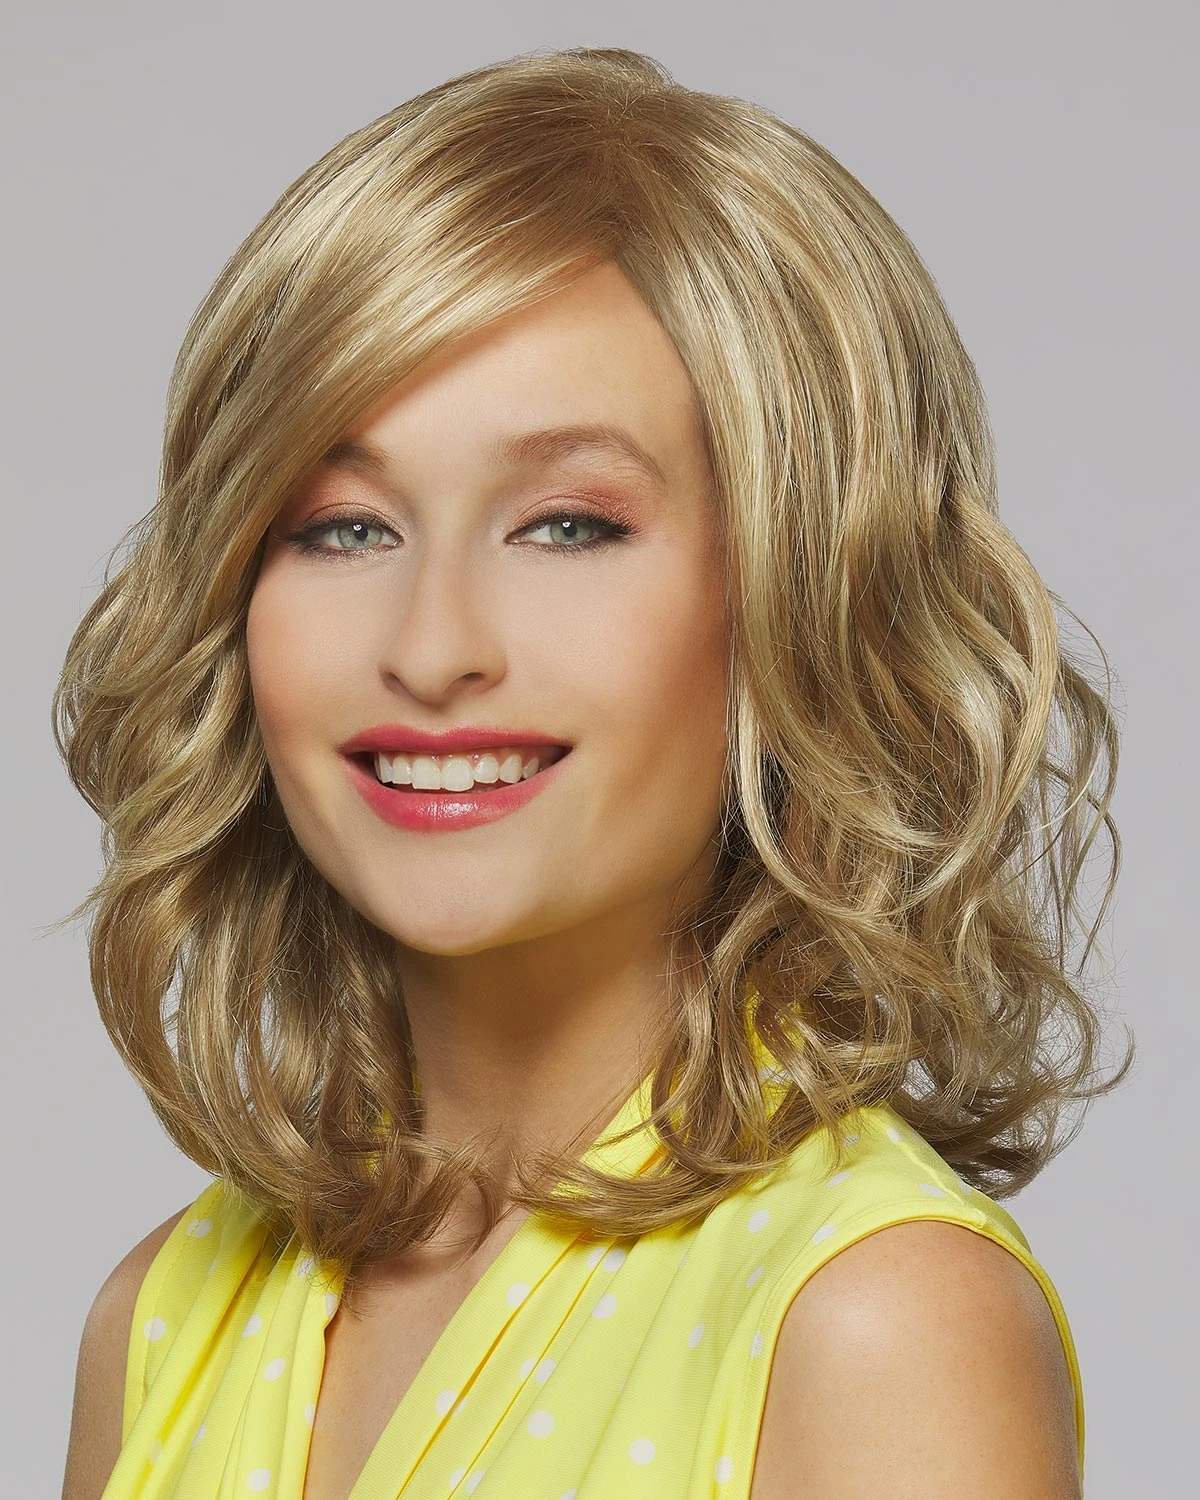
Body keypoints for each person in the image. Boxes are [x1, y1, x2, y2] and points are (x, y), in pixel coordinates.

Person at [56, 45, 1132, 1500]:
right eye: (343, 527)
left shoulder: (871, 1323)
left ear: (797, 597)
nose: (432, 647)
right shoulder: (164, 1319)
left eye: (568, 525)